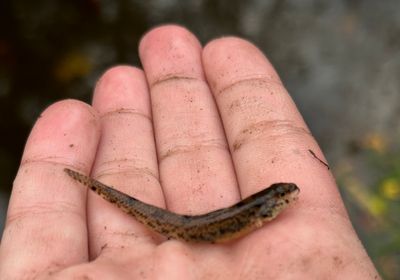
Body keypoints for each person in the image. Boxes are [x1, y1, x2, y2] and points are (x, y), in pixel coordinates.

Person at [0, 25, 380, 279]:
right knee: (165, 218)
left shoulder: (263, 213)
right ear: (268, 207)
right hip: (187, 227)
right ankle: (89, 183)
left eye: (282, 195)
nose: (289, 198)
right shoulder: (261, 211)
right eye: (283, 195)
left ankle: (93, 184)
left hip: (194, 225)